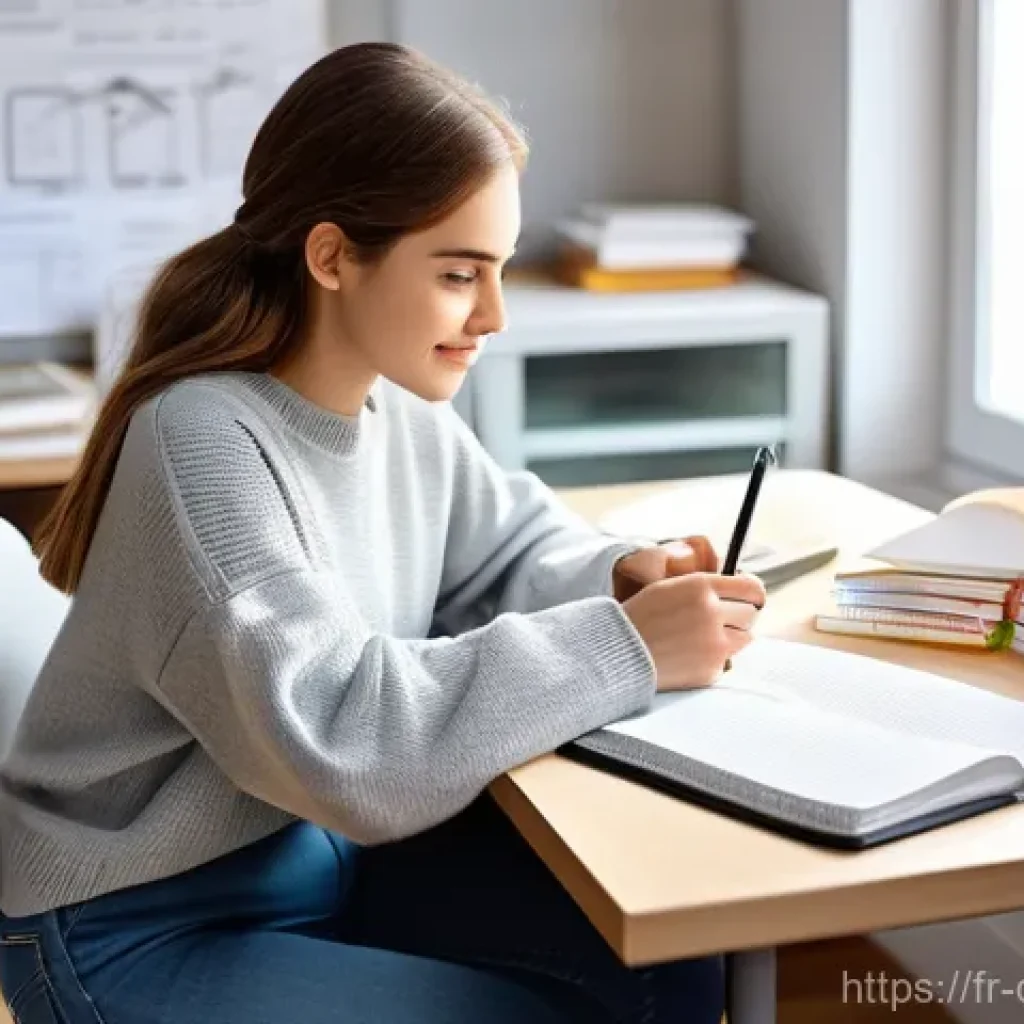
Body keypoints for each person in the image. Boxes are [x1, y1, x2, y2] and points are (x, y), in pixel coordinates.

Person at [0, 42, 765, 1024]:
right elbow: (344, 738)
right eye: (458, 274)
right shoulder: (201, 444)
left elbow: (504, 554)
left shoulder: (394, 407)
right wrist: (624, 646)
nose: (492, 313)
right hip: (131, 924)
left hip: (306, 857)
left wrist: (619, 577)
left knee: (669, 963)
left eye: (498, 270)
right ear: (330, 257)